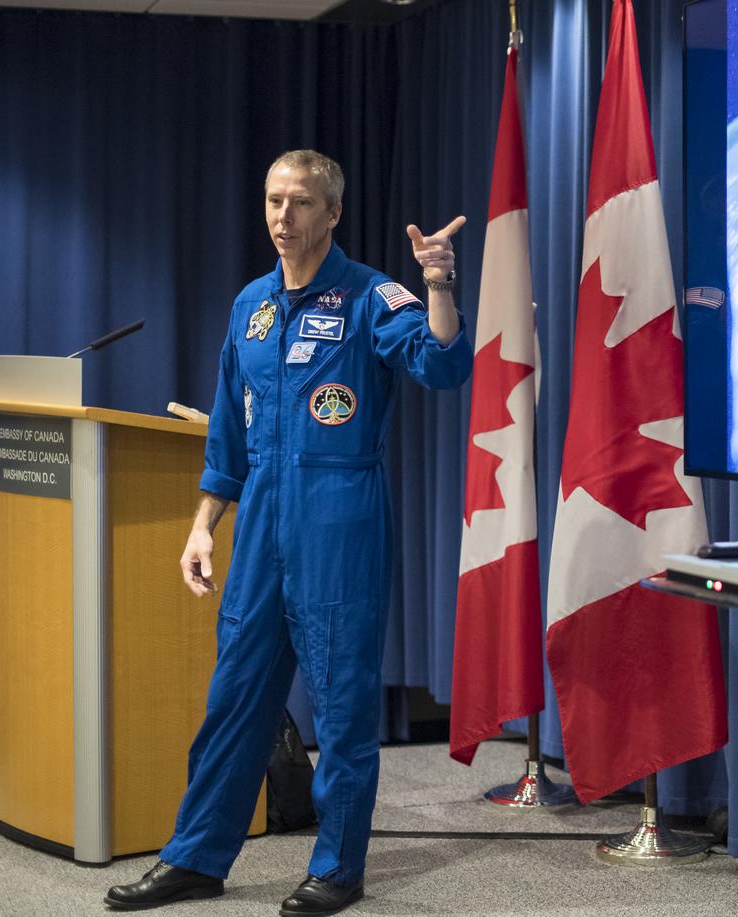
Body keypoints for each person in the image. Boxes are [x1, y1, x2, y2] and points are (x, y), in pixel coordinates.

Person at [105, 150, 472, 916]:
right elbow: (227, 445)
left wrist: (439, 283)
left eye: (300, 203)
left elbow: (440, 363)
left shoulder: (372, 295)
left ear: (332, 212)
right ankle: (197, 856)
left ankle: (339, 866)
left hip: (340, 521)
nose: (283, 217)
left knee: (340, 708)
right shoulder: (251, 307)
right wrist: (202, 528)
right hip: (264, 521)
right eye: (273, 201)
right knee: (233, 698)